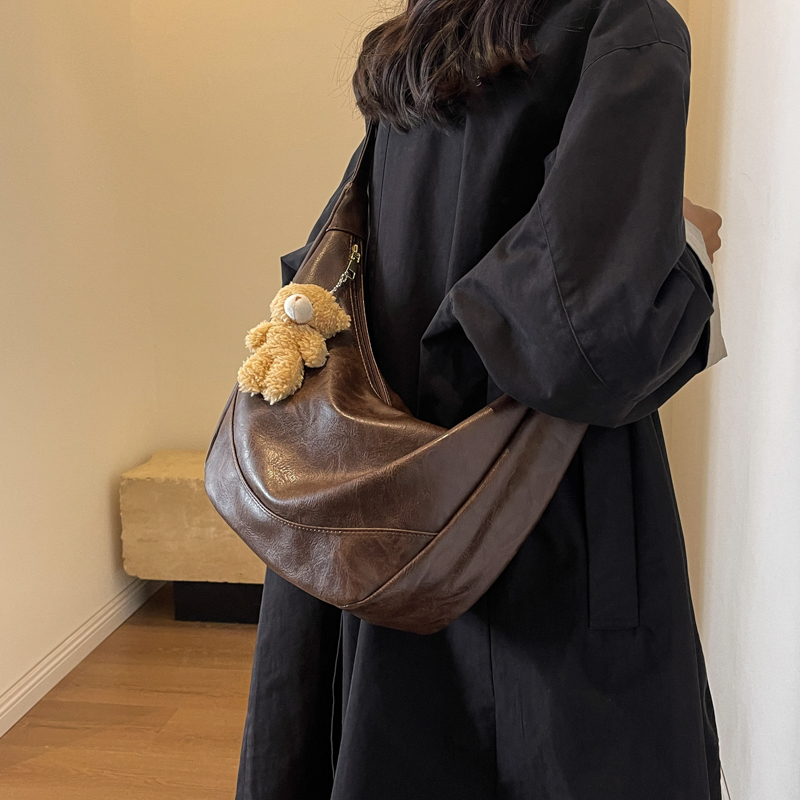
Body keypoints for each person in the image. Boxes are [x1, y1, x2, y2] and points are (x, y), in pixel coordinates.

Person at [235, 0, 727, 797]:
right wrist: (687, 249)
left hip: (393, 505)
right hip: (550, 525)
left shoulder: (425, 37)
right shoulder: (624, 23)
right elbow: (586, 336)